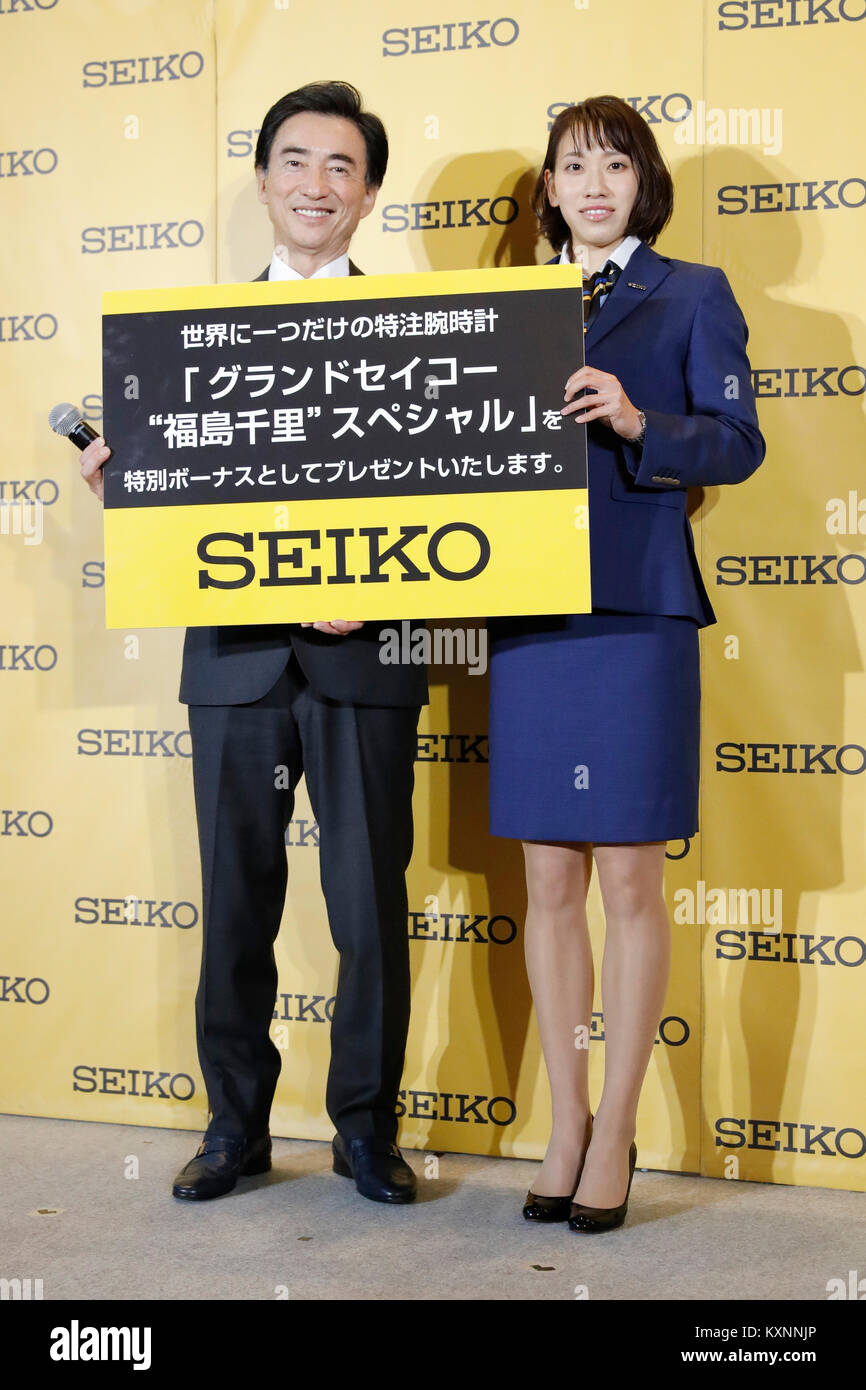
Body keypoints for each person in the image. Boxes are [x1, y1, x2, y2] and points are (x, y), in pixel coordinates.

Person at [80, 81, 427, 1205]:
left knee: (367, 905)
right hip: (233, 656)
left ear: (367, 192)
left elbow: (445, 497)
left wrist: (370, 586)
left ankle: (364, 1133)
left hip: (363, 656)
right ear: (265, 180)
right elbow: (177, 504)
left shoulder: (419, 338)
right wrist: (118, 487)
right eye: (294, 161)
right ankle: (234, 1126)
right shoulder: (190, 341)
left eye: (340, 166)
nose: (315, 184)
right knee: (235, 901)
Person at [488, 96, 765, 1232]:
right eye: (570, 166)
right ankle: (561, 1124)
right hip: (527, 610)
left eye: (612, 163)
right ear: (545, 188)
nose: (591, 183)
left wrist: (642, 420)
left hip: (638, 608)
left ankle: (616, 1125)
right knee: (546, 879)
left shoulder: (691, 291)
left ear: (640, 180)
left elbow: (738, 441)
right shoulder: (506, 307)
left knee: (627, 879)